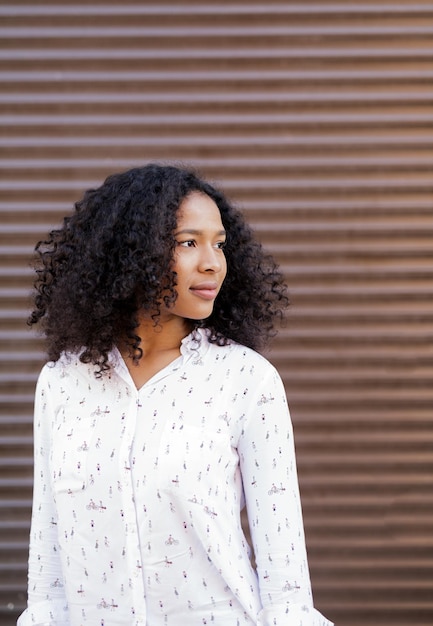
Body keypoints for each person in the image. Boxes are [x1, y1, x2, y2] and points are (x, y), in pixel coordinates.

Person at [18, 164, 333, 626]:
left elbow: (285, 580)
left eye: (219, 244)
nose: (212, 262)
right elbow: (47, 569)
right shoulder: (63, 382)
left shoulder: (247, 381)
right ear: (130, 254)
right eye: (188, 242)